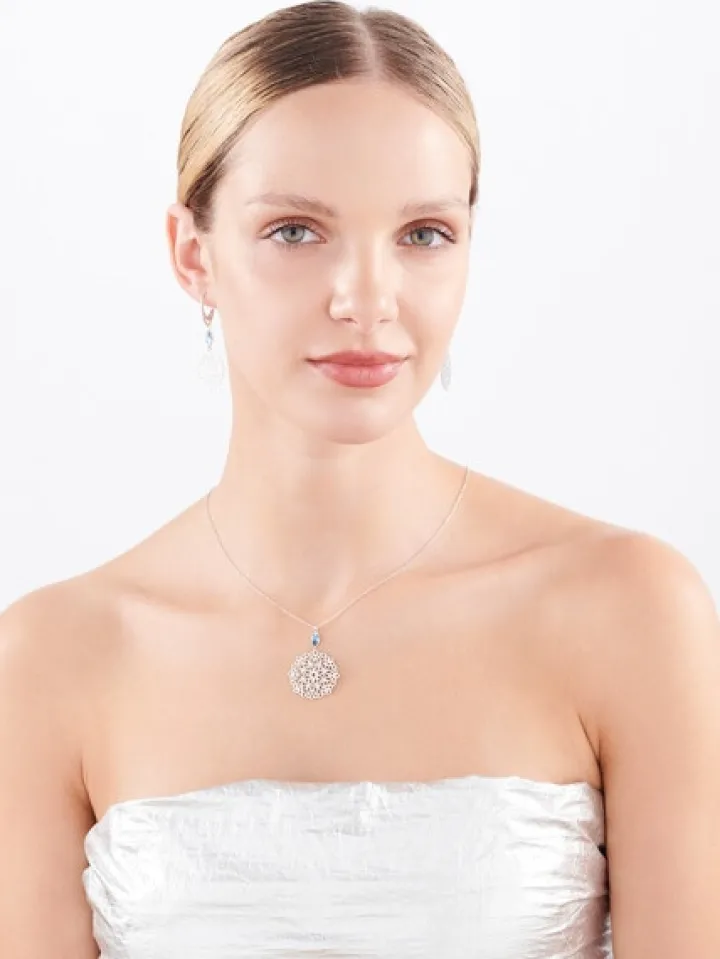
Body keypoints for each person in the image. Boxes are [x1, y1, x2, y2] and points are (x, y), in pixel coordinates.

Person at [1, 1, 719, 956]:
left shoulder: (630, 608)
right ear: (191, 254)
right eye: (297, 231)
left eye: (423, 234)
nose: (369, 300)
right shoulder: (54, 658)